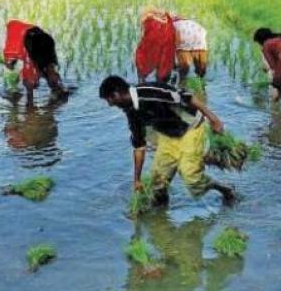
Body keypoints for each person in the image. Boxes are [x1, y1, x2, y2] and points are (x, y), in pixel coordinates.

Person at [99, 75, 236, 206]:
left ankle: (225, 188)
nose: (110, 105)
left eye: (109, 100)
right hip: (168, 136)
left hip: (191, 128)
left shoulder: (151, 92)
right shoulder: (131, 112)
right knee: (157, 184)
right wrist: (137, 180)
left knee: (191, 178)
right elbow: (139, 146)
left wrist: (214, 119)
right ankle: (160, 216)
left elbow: (187, 97)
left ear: (116, 94)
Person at [2, 19, 67, 103]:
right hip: (46, 38)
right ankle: (60, 89)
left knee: (29, 83)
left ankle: (30, 108)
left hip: (33, 42)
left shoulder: (13, 38)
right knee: (49, 68)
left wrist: (10, 65)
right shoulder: (24, 28)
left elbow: (10, 64)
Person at [135, 8, 176, 83]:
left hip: (154, 45)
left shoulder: (149, 22)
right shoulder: (168, 23)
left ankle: (143, 80)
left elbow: (144, 42)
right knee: (163, 71)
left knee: (143, 61)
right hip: (166, 51)